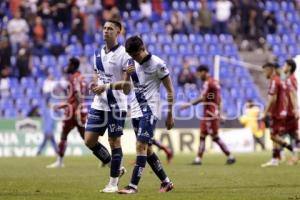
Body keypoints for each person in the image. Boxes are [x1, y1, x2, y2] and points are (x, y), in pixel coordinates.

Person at [118, 36, 175, 194]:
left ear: (142, 48)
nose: (134, 58)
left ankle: (132, 186)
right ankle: (166, 182)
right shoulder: (131, 63)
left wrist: (170, 114)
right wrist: (126, 77)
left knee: (140, 146)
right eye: (131, 56)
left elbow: (170, 90)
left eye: (136, 55)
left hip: (150, 110)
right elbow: (126, 90)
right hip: (136, 110)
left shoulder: (158, 64)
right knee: (148, 150)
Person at [84, 19, 129, 193]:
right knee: (89, 140)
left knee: (114, 141)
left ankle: (113, 183)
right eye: (104, 28)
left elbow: (127, 86)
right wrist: (94, 85)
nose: (106, 31)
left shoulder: (125, 54)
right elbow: (96, 73)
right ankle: (115, 166)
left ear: (118, 32)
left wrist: (107, 87)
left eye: (110, 28)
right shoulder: (97, 53)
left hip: (116, 105)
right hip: (99, 103)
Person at [181, 65, 235, 165]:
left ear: (204, 72)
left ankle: (230, 156)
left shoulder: (208, 83)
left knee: (214, 137)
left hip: (210, 114)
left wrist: (188, 105)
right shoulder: (214, 82)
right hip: (209, 113)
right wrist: (220, 112)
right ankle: (198, 159)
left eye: (199, 74)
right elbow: (219, 99)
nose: (198, 76)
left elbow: (202, 98)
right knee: (202, 135)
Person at [46, 57, 87, 168]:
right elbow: (75, 97)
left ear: (73, 66)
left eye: (69, 65)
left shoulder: (74, 78)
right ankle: (106, 158)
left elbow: (77, 96)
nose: (67, 67)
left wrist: (75, 110)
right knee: (88, 139)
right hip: (80, 110)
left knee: (64, 135)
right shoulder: (81, 77)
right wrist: (62, 106)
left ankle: (60, 162)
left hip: (73, 112)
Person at [261, 63, 296, 167]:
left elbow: (273, 98)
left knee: (273, 136)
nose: (264, 74)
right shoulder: (281, 81)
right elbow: (285, 97)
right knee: (275, 135)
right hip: (282, 112)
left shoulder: (274, 81)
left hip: (276, 113)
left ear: (270, 70)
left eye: (265, 71)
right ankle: (275, 159)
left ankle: (292, 149)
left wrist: (265, 112)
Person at [283, 59, 300, 163]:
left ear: (289, 67)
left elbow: (293, 94)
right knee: (292, 134)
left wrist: (295, 109)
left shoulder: (290, 79)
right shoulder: (291, 79)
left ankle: (293, 156)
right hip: (289, 110)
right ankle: (294, 156)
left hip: (290, 111)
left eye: (284, 65)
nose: (283, 67)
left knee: (289, 134)